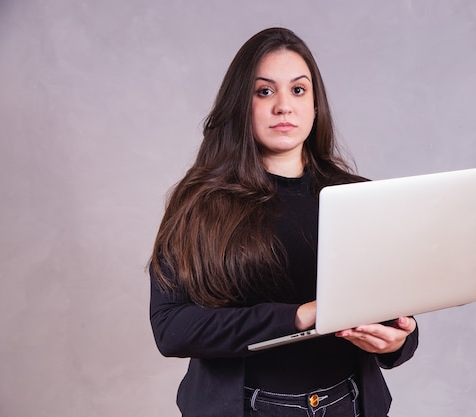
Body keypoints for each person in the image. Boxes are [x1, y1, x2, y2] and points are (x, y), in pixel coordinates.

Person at [149, 27, 418, 417]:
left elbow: (396, 312)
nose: (283, 106)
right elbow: (171, 328)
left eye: (298, 90)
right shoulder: (198, 204)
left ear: (314, 105)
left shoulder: (360, 197)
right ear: (241, 104)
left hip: (349, 404)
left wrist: (397, 341)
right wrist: (298, 317)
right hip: (245, 408)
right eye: (264, 91)